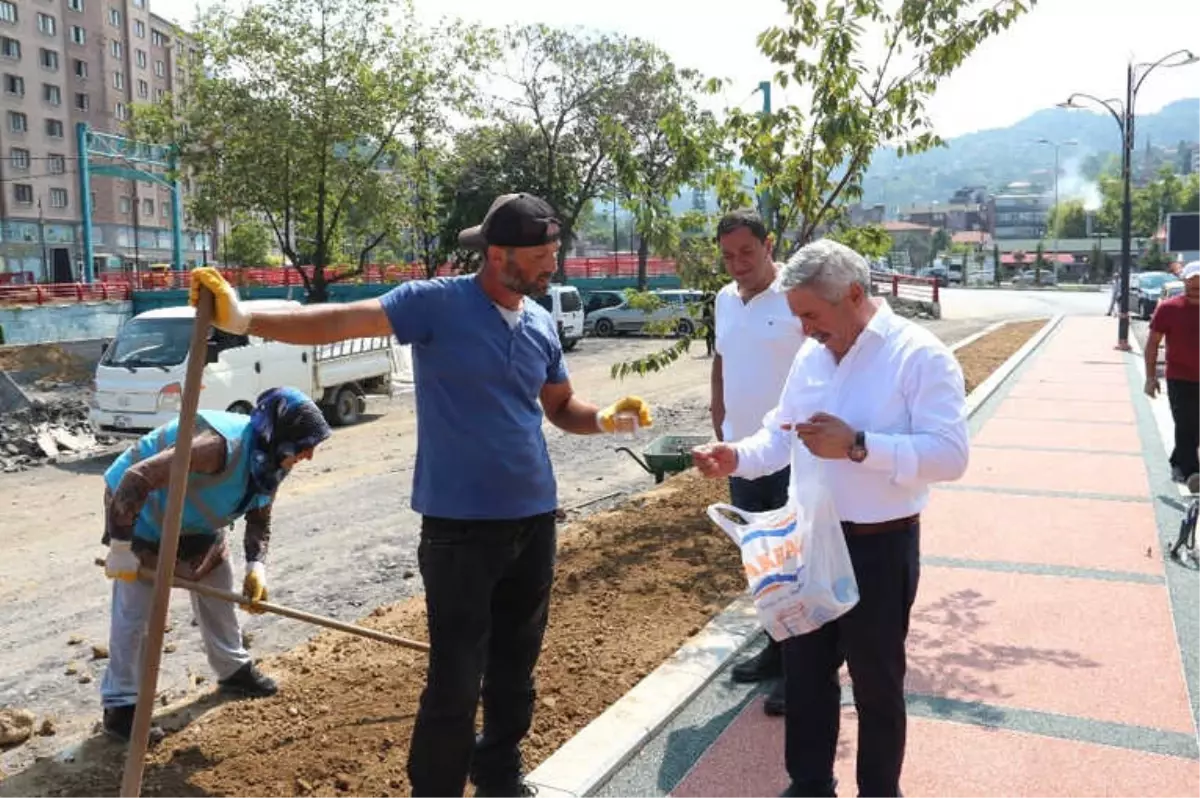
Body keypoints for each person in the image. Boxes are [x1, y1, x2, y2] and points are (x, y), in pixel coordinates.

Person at [188, 192, 653, 798]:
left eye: (554, 253)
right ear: (498, 254)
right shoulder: (437, 303)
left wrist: (608, 418)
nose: (552, 267)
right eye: (541, 255)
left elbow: (561, 407)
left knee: (515, 671)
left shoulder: (540, 322)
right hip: (460, 531)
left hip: (534, 521)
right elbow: (340, 319)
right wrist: (246, 318)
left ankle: (499, 773)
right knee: (457, 680)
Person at [692, 239, 969, 798]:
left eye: (812, 316)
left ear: (855, 295)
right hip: (809, 541)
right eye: (797, 317)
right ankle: (810, 782)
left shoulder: (918, 355)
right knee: (806, 675)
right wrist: (738, 455)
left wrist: (861, 445)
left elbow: (951, 456)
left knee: (877, 685)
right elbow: (781, 432)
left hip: (879, 549)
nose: (804, 330)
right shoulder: (812, 355)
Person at [100, 387, 332, 741]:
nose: (310, 455)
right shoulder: (219, 447)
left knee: (219, 588)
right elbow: (137, 478)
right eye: (304, 445)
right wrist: (120, 546)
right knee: (136, 614)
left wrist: (257, 565)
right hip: (138, 516)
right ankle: (121, 706)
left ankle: (233, 669)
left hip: (196, 522)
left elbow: (259, 516)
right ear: (280, 435)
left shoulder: (269, 460)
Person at [710, 209, 805, 717]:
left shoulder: (796, 293)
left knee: (795, 562)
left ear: (769, 245)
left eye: (747, 252)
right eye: (728, 256)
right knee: (760, 559)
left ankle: (803, 667)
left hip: (793, 454)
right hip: (742, 454)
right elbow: (722, 361)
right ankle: (775, 649)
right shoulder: (725, 299)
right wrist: (719, 417)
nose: (738, 264)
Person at [1145, 261, 1200, 485]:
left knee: (1195, 426)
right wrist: (1150, 378)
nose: (1196, 284)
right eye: (1192, 280)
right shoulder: (1168, 309)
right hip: (1180, 378)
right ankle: (1190, 473)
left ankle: (1179, 461)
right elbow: (1152, 343)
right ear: (1184, 281)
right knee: (1185, 424)